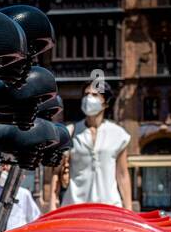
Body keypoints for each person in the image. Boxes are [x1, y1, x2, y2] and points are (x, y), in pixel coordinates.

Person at [50, 80, 132, 210]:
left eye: (95, 95)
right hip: (75, 207)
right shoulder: (70, 132)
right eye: (86, 94)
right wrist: (52, 205)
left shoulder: (118, 135)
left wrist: (129, 209)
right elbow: (56, 172)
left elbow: (122, 174)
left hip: (109, 207)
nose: (89, 98)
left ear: (105, 102)